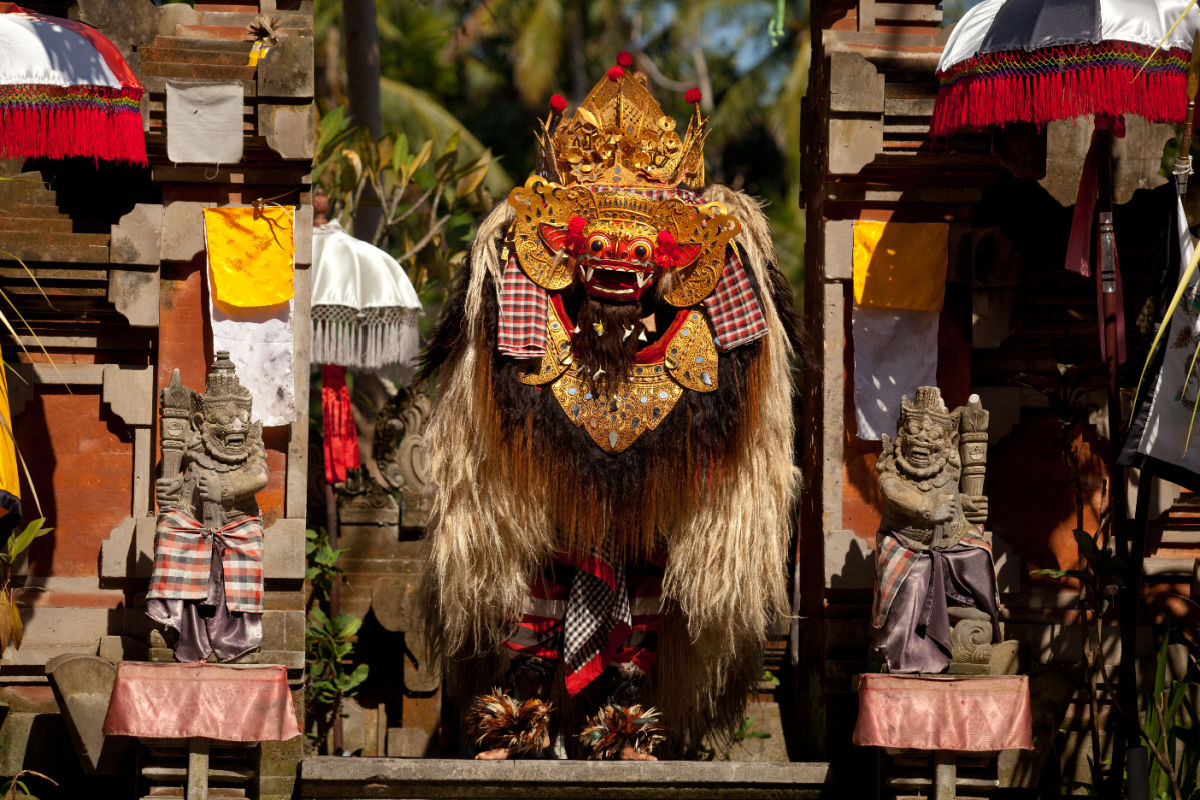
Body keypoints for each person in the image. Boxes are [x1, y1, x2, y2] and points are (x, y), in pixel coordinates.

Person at [420, 54, 800, 759]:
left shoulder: (709, 320)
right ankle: (523, 712)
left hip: (659, 447)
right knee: (535, 559)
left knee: (648, 563)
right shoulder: (524, 304)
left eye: (638, 249)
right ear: (562, 254)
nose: (620, 263)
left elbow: (746, 363)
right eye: (599, 245)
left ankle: (628, 718)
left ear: (672, 261)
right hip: (552, 444)